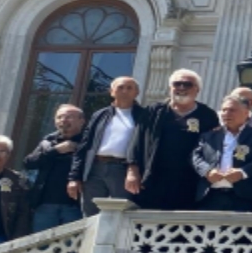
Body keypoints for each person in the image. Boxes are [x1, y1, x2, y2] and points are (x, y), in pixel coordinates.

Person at [126, 69, 219, 210]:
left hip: (189, 181)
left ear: (197, 89)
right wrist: (132, 171)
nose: (181, 88)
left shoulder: (207, 115)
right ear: (170, 88)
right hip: (152, 177)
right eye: (177, 84)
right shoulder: (153, 111)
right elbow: (136, 141)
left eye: (187, 84)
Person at [69, 77, 148, 216]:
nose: (124, 91)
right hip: (94, 168)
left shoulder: (145, 115)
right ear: (111, 91)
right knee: (90, 213)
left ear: (137, 92)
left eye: (129, 88)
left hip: (123, 170)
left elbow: (147, 147)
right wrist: (74, 177)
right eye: (120, 87)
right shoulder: (100, 115)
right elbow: (84, 147)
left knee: (122, 212)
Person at [193, 94, 252, 211]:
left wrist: (243, 172)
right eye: (224, 110)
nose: (226, 114)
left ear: (246, 113)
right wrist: (207, 171)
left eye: (232, 110)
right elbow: (195, 156)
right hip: (210, 195)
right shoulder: (209, 135)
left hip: (243, 197)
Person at [24, 104, 85, 231]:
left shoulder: (89, 142)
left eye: (69, 117)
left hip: (76, 204)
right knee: (43, 245)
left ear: (82, 121)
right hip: (46, 204)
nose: (63, 120)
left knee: (72, 246)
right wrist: (55, 150)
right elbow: (29, 163)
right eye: (59, 117)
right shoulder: (47, 141)